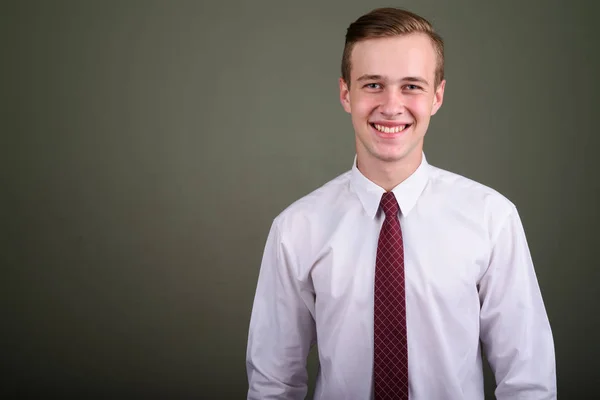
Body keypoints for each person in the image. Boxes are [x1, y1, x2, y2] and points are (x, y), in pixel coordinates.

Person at [246, 7, 556, 400]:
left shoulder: (492, 218)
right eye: (373, 84)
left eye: (412, 86)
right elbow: (273, 385)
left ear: (437, 96)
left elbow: (528, 381)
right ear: (346, 93)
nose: (391, 106)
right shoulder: (296, 229)